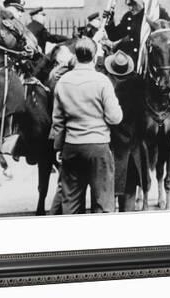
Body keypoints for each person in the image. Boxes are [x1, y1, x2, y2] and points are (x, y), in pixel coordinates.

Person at [52, 37, 122, 214]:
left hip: (71, 146)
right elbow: (115, 117)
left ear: (76, 55)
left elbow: (58, 120)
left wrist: (58, 146)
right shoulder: (102, 81)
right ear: (94, 55)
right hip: (98, 147)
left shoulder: (63, 81)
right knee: (103, 203)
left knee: (71, 203)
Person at [103, 50, 149, 212]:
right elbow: (144, 118)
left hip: (112, 144)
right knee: (130, 190)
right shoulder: (138, 84)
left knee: (109, 190)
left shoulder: (107, 84)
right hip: (133, 145)